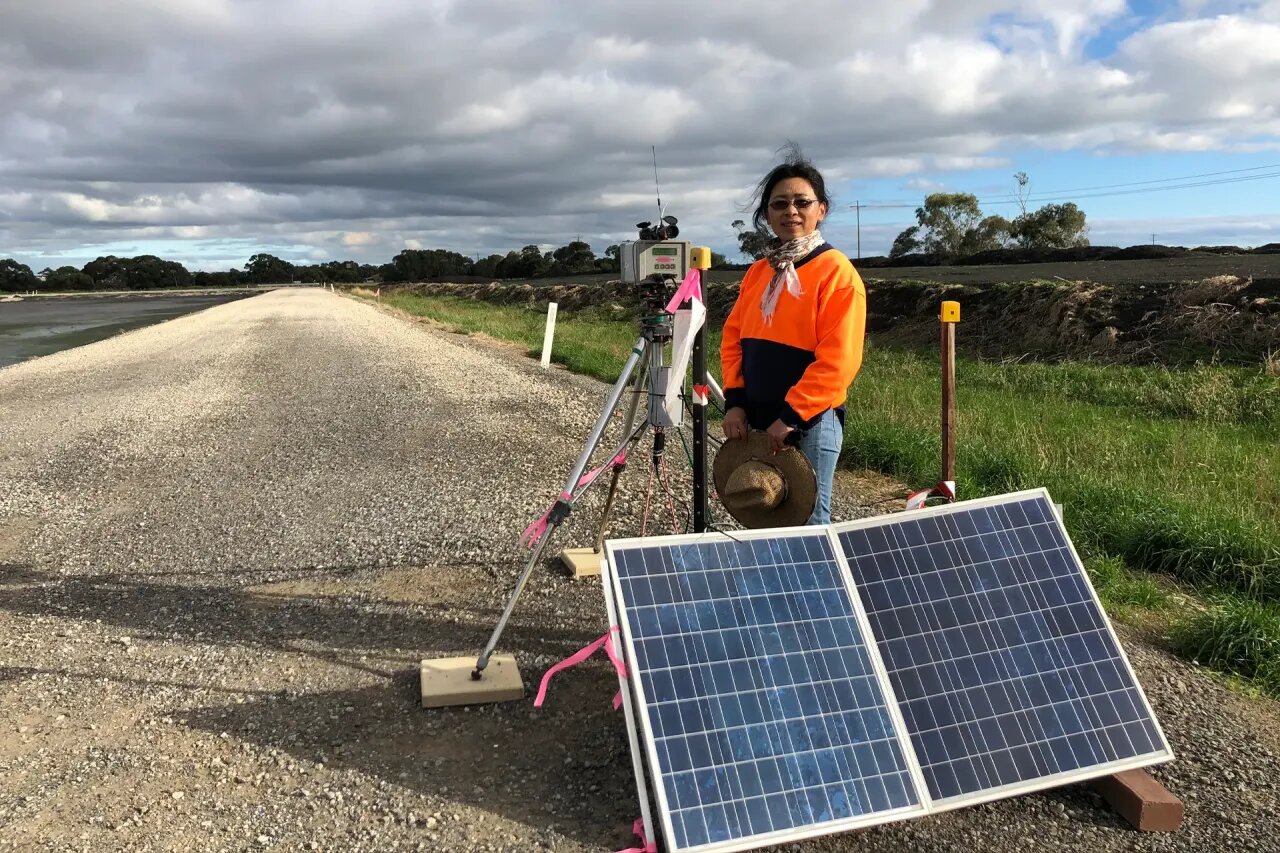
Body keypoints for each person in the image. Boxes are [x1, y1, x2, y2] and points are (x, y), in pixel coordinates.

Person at [719, 147, 867, 525]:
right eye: (780, 204)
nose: (791, 211)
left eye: (802, 202)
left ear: (822, 209)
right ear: (767, 214)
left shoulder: (836, 272)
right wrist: (734, 402)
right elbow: (733, 340)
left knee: (808, 523)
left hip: (810, 423)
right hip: (757, 420)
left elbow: (839, 360)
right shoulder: (758, 273)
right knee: (764, 520)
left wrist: (791, 416)